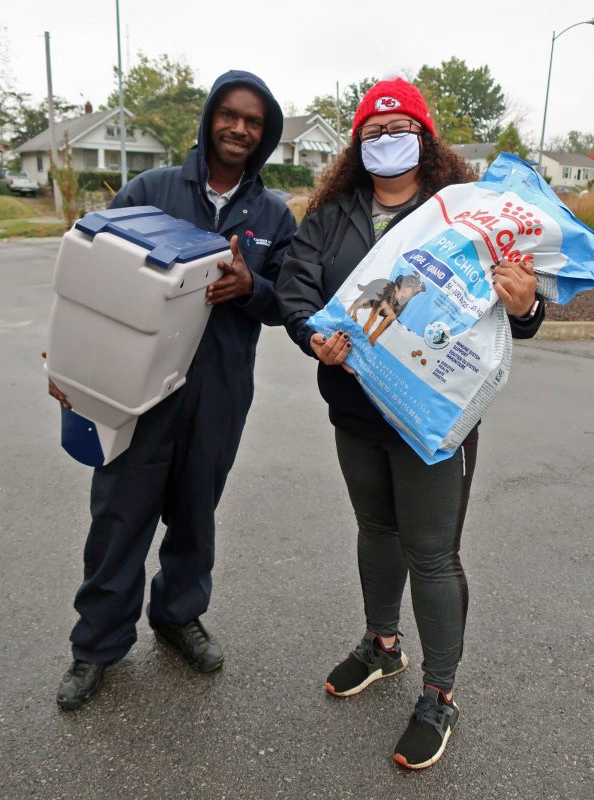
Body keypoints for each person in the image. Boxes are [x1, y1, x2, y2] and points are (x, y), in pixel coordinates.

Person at [276, 77, 544, 769]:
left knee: (430, 553)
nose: (385, 140)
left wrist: (525, 306)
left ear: (425, 139)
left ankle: (440, 695)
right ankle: (382, 646)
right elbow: (296, 289)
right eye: (372, 131)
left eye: (399, 129)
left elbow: (523, 311)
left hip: (431, 422)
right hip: (356, 412)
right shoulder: (333, 214)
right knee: (375, 532)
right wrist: (311, 336)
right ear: (357, 145)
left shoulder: (461, 216)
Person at [50, 70, 297, 711]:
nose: (241, 128)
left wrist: (253, 289)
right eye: (231, 115)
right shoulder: (153, 189)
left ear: (265, 136)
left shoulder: (271, 215)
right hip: (137, 390)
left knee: (195, 513)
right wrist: (72, 367)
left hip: (218, 391)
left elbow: (291, 304)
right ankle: (96, 646)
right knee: (119, 515)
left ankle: (177, 616)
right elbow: (91, 276)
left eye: (254, 122)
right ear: (210, 118)